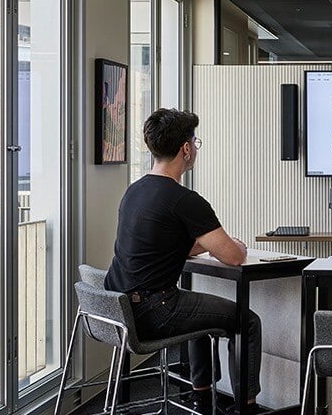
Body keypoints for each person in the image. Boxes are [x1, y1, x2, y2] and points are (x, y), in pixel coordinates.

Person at [104, 108, 261, 414]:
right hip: (154, 311)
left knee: (200, 313)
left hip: (119, 306)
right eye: (195, 142)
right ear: (186, 149)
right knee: (248, 321)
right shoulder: (186, 200)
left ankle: (201, 395)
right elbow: (233, 256)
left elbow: (162, 245)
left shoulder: (135, 191)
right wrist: (234, 246)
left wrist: (203, 244)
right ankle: (247, 406)